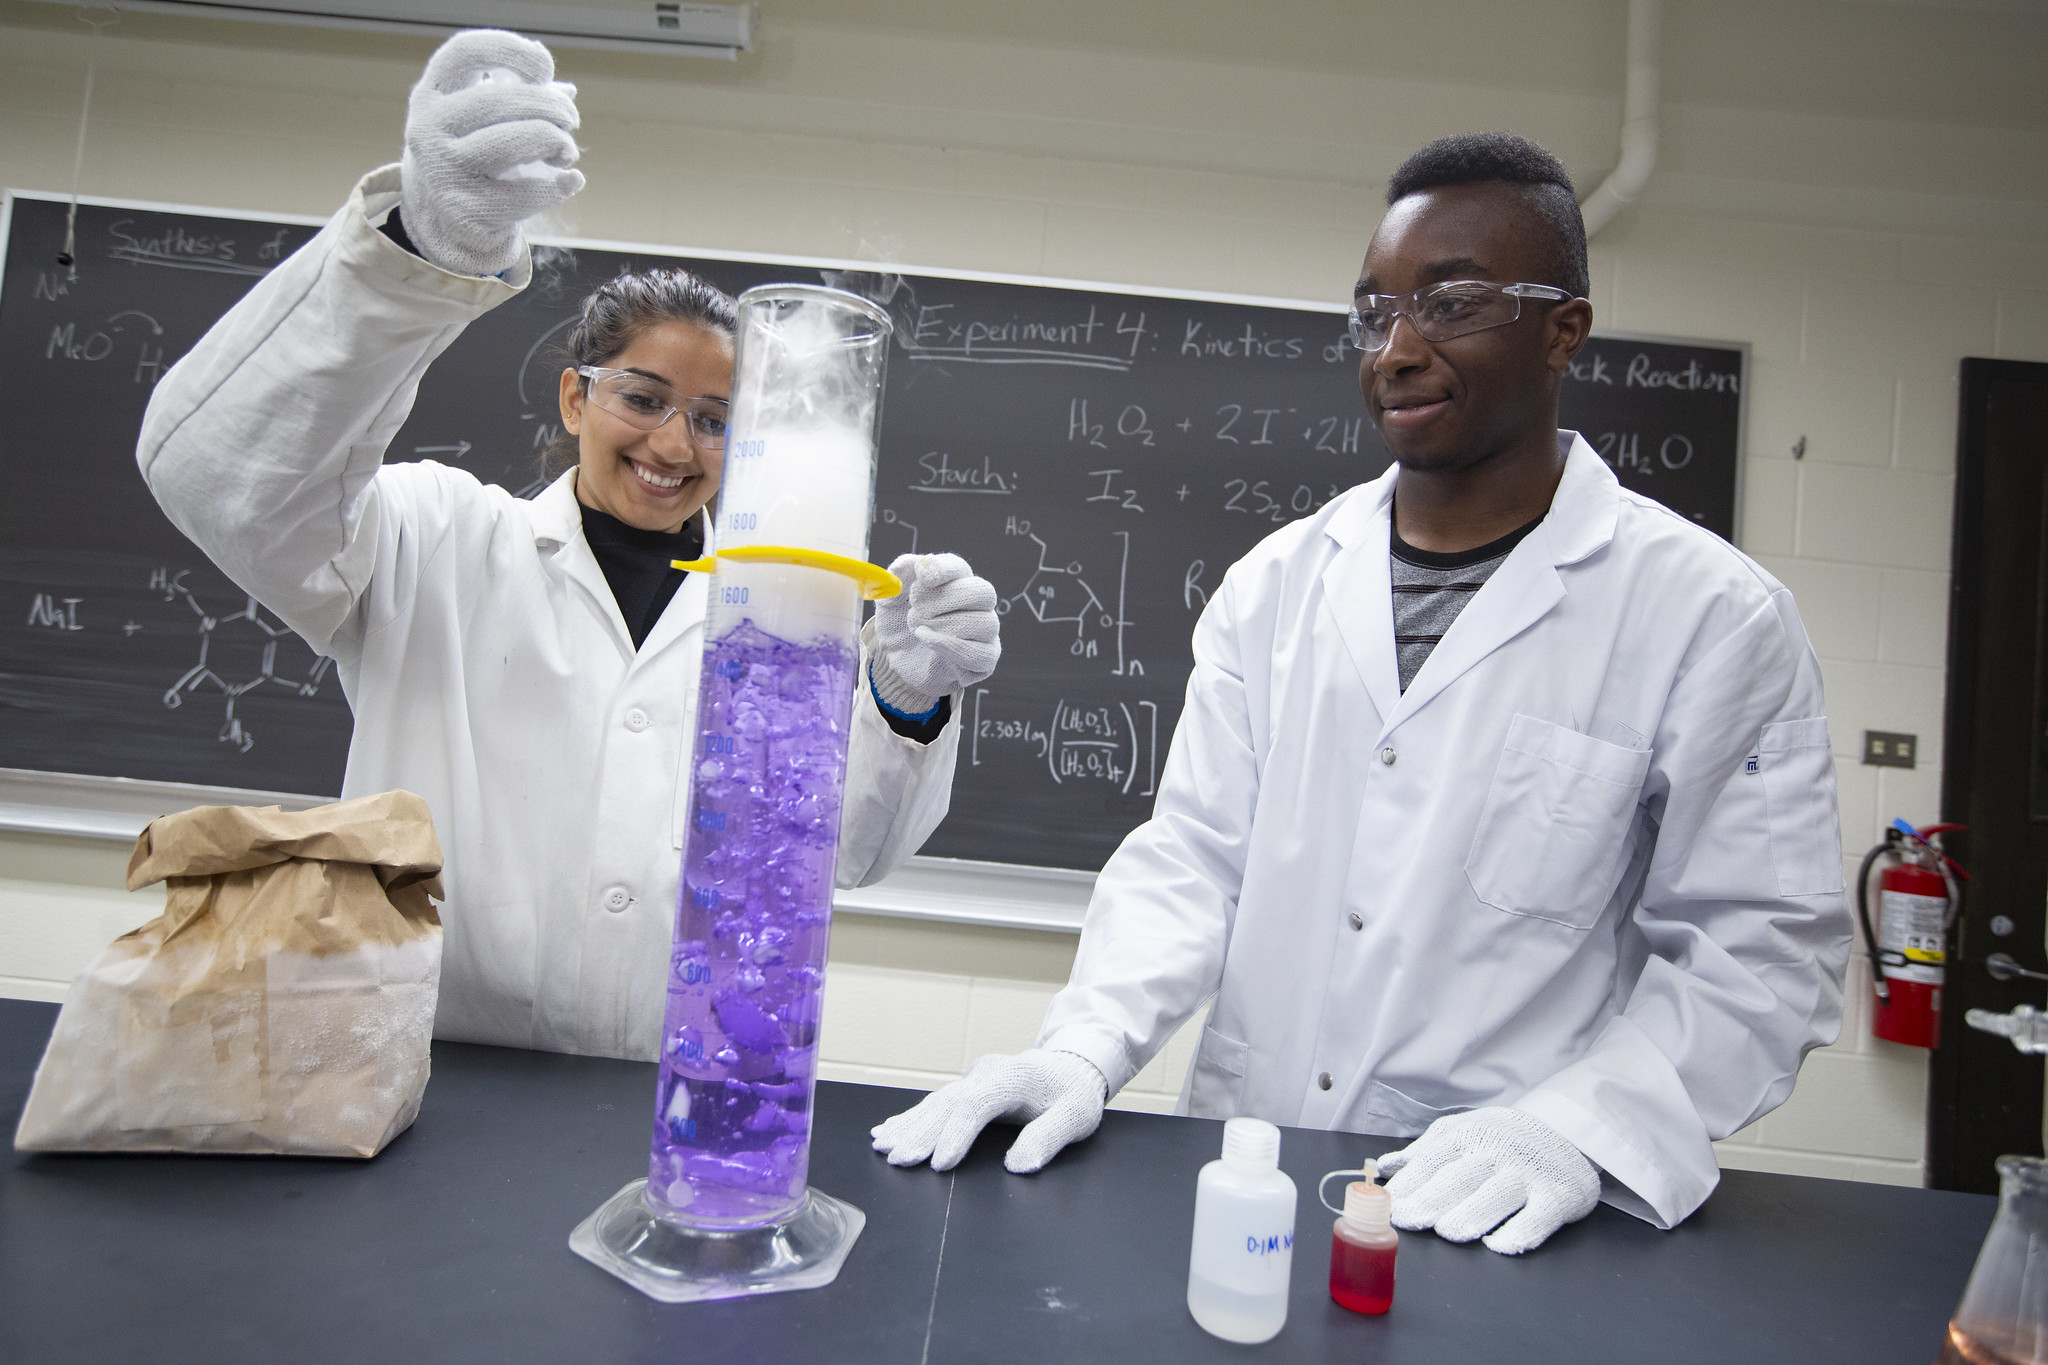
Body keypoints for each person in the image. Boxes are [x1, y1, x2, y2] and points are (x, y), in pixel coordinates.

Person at [872, 132, 1850, 1254]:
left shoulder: (1706, 614)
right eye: (1372, 311)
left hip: (1498, 1208)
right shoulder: (1275, 585)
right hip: (1249, 1169)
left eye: (1450, 305)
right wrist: (1082, 1047)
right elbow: (1192, 861)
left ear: (1561, 331)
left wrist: (1579, 1132)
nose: (1395, 349)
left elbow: (1760, 951)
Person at [138, 30, 1000, 1062]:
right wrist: (421, 252)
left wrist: (902, 693)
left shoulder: (777, 612)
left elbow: (846, 855)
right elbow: (221, 481)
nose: (675, 445)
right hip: (419, 1076)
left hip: (677, 1102)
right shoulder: (433, 538)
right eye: (643, 399)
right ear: (575, 396)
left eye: (718, 418)